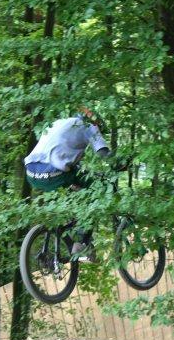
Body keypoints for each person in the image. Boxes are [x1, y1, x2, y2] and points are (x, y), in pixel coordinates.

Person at [23, 108, 111, 260]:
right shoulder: (90, 127)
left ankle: (70, 243)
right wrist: (121, 162)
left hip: (31, 172)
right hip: (54, 173)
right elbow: (104, 154)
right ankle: (83, 243)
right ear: (96, 122)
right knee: (98, 189)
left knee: (75, 184)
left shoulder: (58, 123)